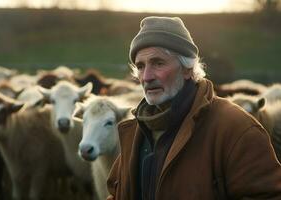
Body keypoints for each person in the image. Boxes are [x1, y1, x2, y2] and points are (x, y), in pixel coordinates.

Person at [106, 16, 281, 200]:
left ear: (187, 69)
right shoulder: (134, 131)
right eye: (140, 66)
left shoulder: (235, 128)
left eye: (158, 63)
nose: (147, 77)